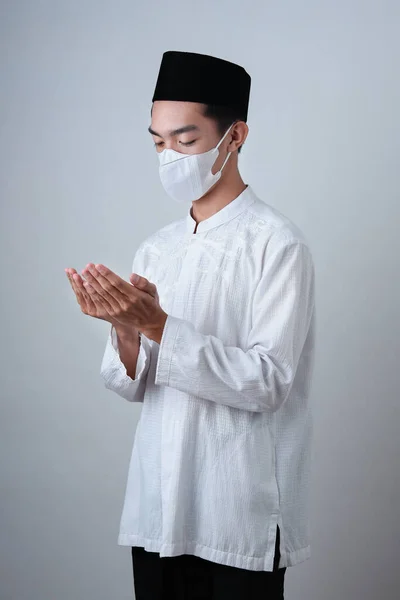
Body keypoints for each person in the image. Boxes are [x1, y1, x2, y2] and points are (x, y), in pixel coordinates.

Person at [65, 50, 316, 600]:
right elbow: (132, 385)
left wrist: (159, 324)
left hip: (239, 511)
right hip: (159, 506)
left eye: (186, 140)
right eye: (158, 142)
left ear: (236, 136)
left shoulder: (276, 243)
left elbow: (269, 381)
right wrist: (127, 330)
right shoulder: (157, 248)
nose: (170, 157)